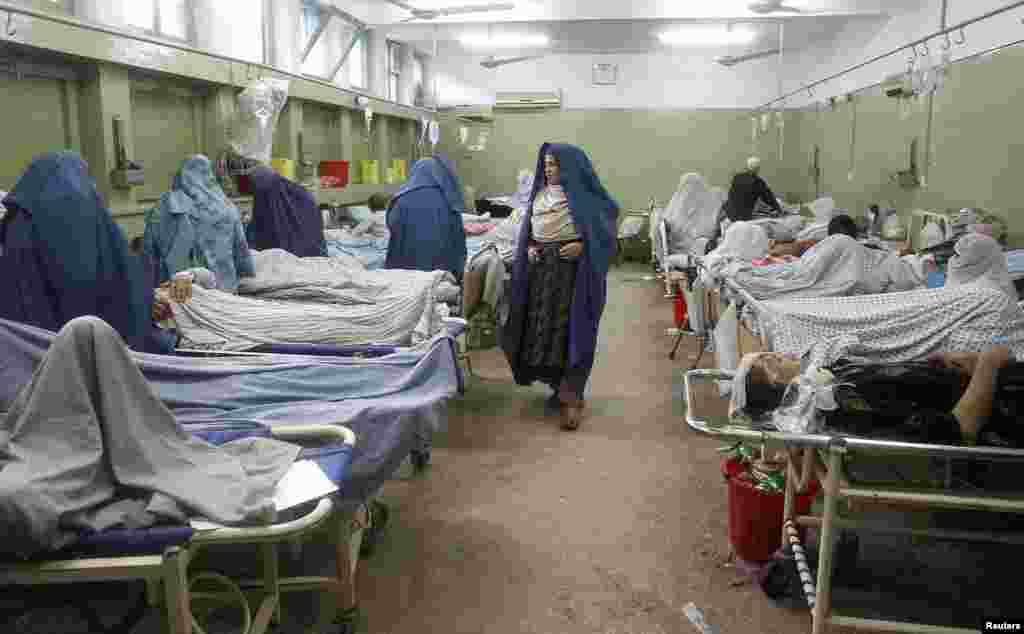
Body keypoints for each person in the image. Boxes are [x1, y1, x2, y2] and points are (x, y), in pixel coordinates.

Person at [502, 143, 619, 431]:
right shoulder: (540, 196)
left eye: (553, 164)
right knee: (543, 329)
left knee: (571, 331)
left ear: (568, 167)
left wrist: (583, 246)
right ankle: (557, 385)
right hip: (541, 272)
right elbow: (529, 230)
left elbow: (606, 230)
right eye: (546, 164)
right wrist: (529, 247)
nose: (548, 169)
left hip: (573, 276)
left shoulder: (585, 198)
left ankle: (572, 396)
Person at [0, 152, 155, 352]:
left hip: (31, 355)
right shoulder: (93, 212)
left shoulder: (18, 222)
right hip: (108, 354)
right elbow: (131, 288)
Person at [737, 346, 1019, 446]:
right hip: (1008, 406)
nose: (782, 354)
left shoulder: (833, 381)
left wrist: (938, 363)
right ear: (780, 384)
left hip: (977, 384)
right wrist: (988, 365)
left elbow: (900, 384)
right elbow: (959, 429)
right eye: (772, 359)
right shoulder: (843, 401)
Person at [144, 155, 255, 292]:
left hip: (178, 290)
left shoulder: (164, 206)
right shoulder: (227, 207)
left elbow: (149, 252)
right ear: (210, 176)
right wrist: (247, 271)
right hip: (223, 289)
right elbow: (241, 249)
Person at [385, 156, 468, 281]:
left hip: (406, 274)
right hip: (443, 272)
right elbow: (457, 236)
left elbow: (392, 227)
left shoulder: (401, 200)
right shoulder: (449, 200)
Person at [246, 165, 327, 258]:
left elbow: (259, 236)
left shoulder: (265, 199)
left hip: (285, 258)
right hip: (315, 255)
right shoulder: (303, 194)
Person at [945, 232, 1016, 300]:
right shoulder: (994, 292)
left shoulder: (949, 290)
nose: (952, 259)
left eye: (957, 255)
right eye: (956, 255)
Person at [722, 156, 782, 222]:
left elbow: (731, 193)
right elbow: (769, 199)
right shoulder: (758, 182)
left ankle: (716, 230)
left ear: (747, 166)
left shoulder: (736, 177)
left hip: (729, 212)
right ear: (758, 169)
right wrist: (778, 209)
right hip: (743, 216)